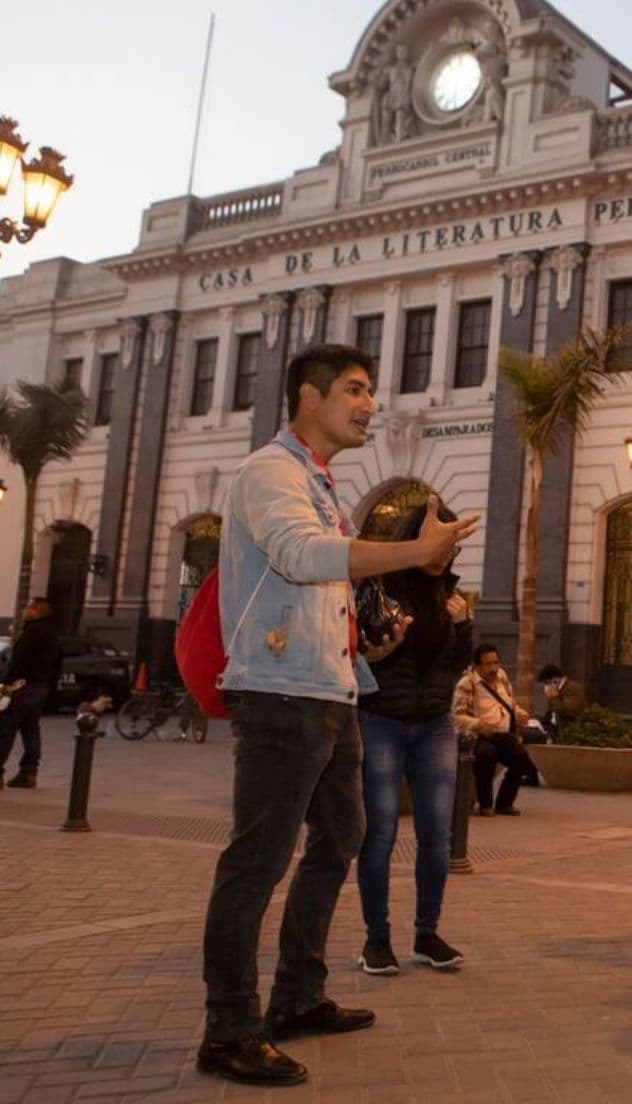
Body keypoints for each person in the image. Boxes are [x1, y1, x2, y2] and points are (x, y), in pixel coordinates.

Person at [198, 344, 478, 1088]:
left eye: (370, 392)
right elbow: (299, 555)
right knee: (257, 859)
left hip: (331, 690)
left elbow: (322, 584)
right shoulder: (272, 472)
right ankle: (228, 1029)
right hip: (279, 693)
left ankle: (297, 995)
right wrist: (416, 550)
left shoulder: (321, 482)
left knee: (342, 837)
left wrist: (369, 647)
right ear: (309, 396)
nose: (369, 405)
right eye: (355, 390)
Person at [355, 498, 473, 978]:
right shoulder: (381, 585)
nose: (443, 556)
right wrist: (388, 647)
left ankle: (427, 934)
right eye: (438, 543)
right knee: (379, 834)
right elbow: (363, 654)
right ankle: (376, 940)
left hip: (435, 724)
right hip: (382, 718)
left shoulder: (451, 594)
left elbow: (457, 663)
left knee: (437, 837)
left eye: (450, 548)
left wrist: (463, 625)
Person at [457, 643, 540, 816]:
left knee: (521, 758)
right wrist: (478, 724)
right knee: (487, 755)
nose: (493, 668)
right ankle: (485, 804)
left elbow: (509, 704)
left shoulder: (502, 677)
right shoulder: (467, 684)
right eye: (488, 664)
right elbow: (457, 716)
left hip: (501, 733)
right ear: (478, 666)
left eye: (496, 663)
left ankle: (504, 803)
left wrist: (519, 714)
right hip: (478, 735)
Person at [0, 597, 60, 789]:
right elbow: (58, 664)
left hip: (22, 686)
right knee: (31, 729)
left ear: (34, 611)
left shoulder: (32, 632)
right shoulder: (52, 633)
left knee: (6, 728)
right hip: (40, 687)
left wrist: (5, 683)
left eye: (28, 608)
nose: (25, 610)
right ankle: (29, 771)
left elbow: (18, 661)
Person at [535, 663, 586, 741]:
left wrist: (553, 699)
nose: (546, 686)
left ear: (555, 680)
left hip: (570, 733)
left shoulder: (572, 688)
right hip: (556, 730)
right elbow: (551, 713)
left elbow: (569, 711)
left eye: (547, 683)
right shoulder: (556, 691)